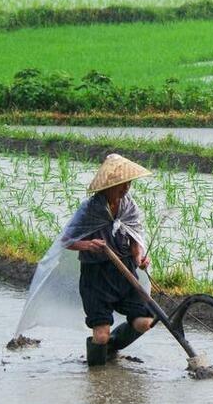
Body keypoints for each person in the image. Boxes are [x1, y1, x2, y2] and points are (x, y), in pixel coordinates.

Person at [66, 153, 156, 366]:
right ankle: (97, 374)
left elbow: (134, 237)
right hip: (96, 275)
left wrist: (139, 257)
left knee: (145, 322)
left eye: (128, 184)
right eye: (121, 185)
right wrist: (88, 245)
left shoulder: (128, 206)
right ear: (107, 186)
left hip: (125, 271)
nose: (125, 189)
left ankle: (112, 347)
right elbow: (66, 240)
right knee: (100, 334)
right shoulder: (90, 209)